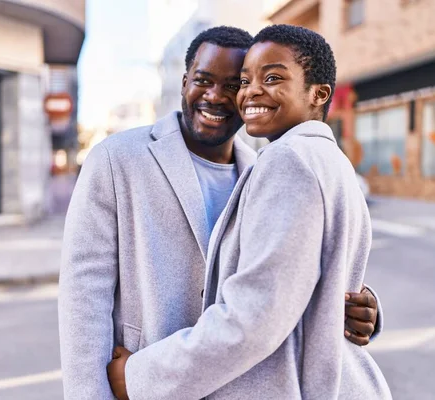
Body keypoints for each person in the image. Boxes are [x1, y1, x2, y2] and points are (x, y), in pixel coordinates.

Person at [59, 26, 382, 399]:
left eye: (233, 84)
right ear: (184, 82)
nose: (216, 96)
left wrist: (355, 307)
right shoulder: (116, 159)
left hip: (224, 381)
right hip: (143, 378)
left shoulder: (269, 167)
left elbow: (277, 291)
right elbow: (83, 295)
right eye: (203, 80)